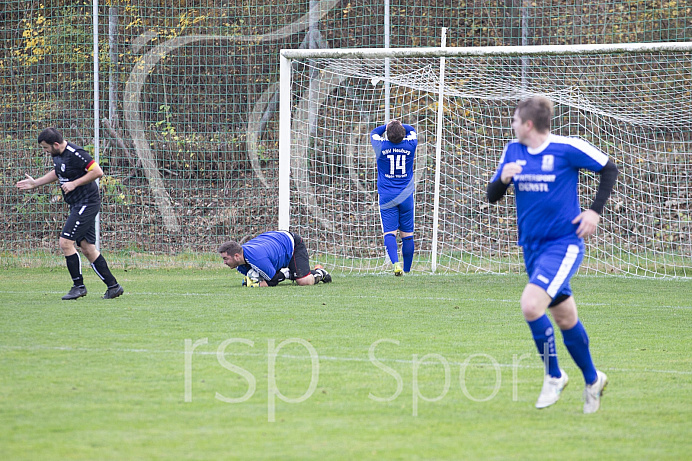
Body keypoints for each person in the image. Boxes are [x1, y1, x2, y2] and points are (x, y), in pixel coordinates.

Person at [487, 96, 618, 414]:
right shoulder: (513, 151)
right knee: (564, 318)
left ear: (528, 124)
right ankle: (592, 379)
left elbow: (609, 169)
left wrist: (594, 212)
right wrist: (504, 179)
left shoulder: (565, 147)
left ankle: (554, 375)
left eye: (516, 120)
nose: (512, 125)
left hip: (563, 244)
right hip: (531, 248)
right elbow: (492, 196)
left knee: (531, 306)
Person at [16, 128, 124, 300]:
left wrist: (74, 184)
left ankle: (78, 286)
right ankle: (113, 286)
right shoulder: (57, 155)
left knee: (66, 242)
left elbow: (97, 171)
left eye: (46, 148)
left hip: (87, 202)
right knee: (88, 248)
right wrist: (36, 183)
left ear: (56, 144)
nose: (45, 151)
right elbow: (59, 172)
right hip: (77, 204)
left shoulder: (76, 153)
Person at [370, 119, 418, 276]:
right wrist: (400, 125)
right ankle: (407, 270)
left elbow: (374, 133)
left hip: (387, 196)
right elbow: (412, 130)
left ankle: (396, 264)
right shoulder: (410, 145)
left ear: (388, 134)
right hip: (406, 197)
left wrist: (388, 125)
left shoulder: (381, 146)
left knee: (389, 233)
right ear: (403, 134)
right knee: (407, 235)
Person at [218, 230, 331, 287]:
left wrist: (258, 284)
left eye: (226, 259)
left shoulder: (257, 259)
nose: (224, 262)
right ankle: (292, 271)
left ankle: (320, 272)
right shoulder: (240, 263)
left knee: (303, 281)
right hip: (275, 243)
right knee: (288, 273)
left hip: (291, 244)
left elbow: (273, 280)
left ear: (236, 256)